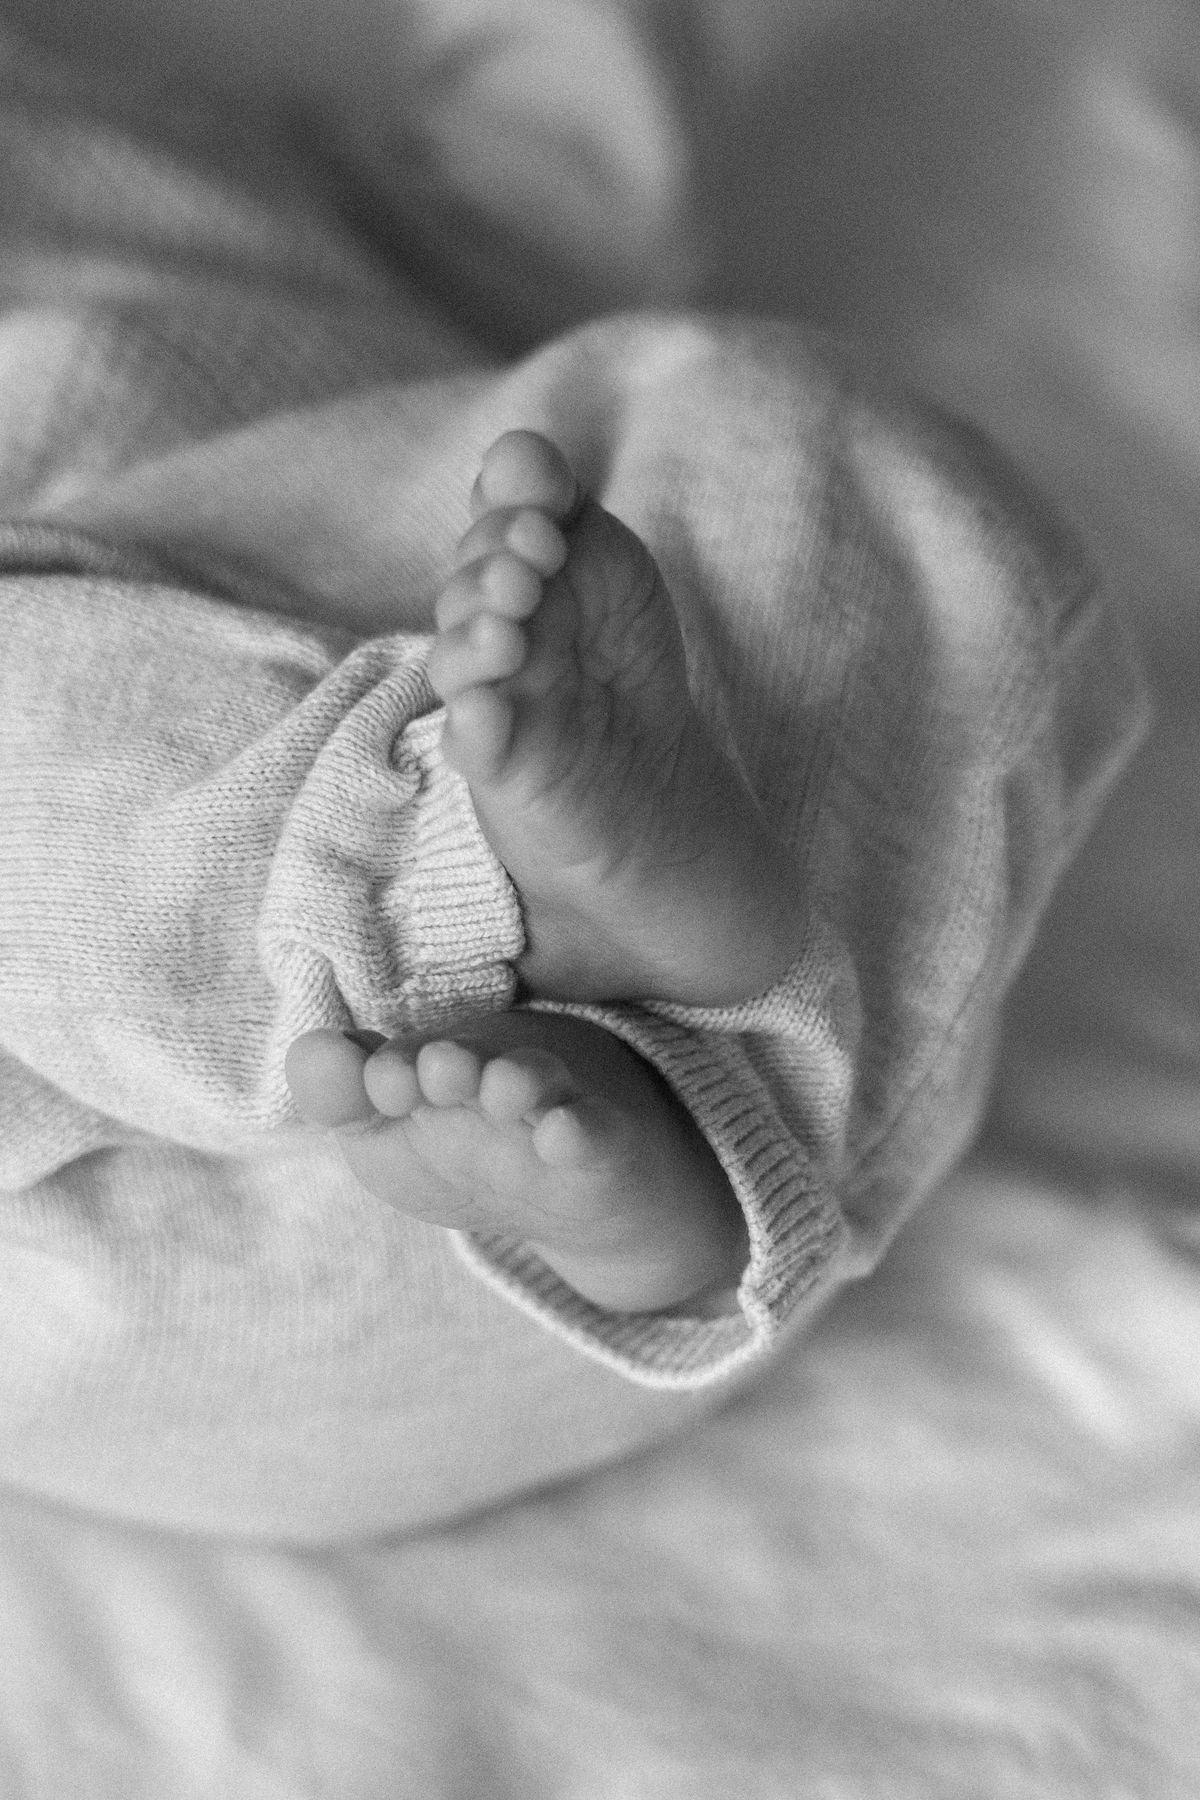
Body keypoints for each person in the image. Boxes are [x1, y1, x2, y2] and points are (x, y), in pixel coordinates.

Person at [0, 13, 1148, 1540]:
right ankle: (467, 905)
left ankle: (687, 1131)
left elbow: (528, 208)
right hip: (142, 1253)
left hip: (561, 1205)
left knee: (784, 429)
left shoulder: (129, 112)